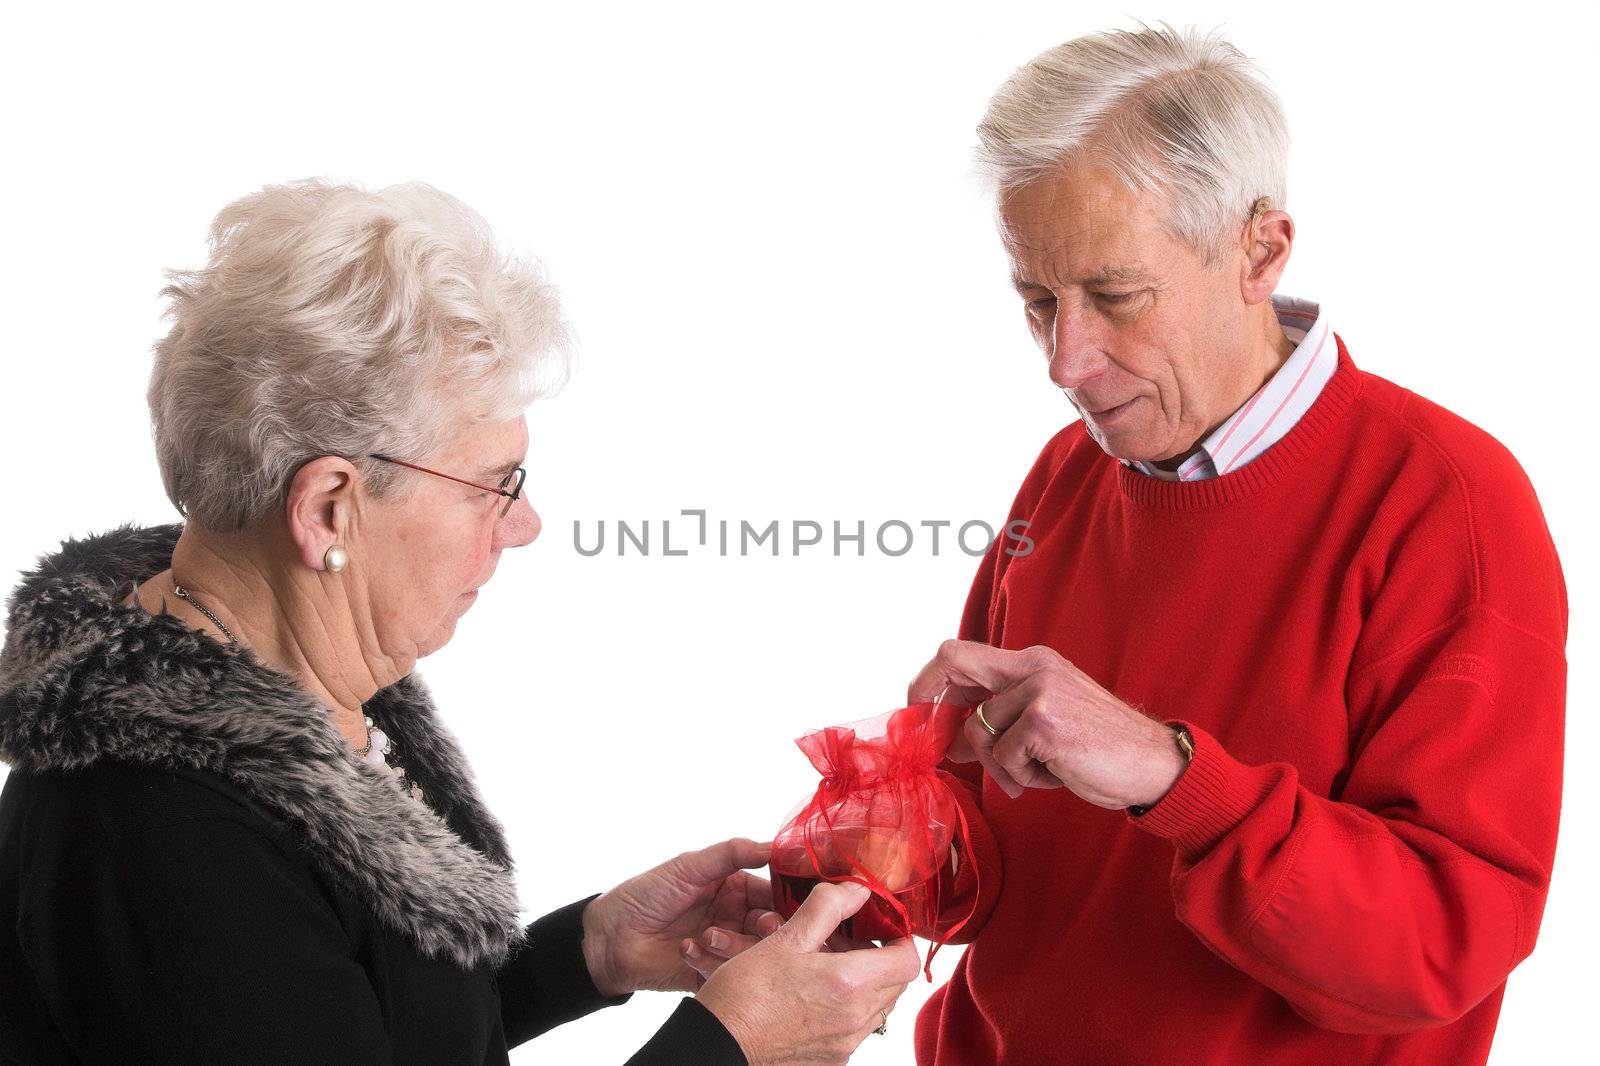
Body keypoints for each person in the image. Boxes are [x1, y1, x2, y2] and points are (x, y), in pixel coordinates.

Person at [0, 179, 918, 1065]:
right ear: (328, 508)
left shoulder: (301, 688)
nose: (524, 525)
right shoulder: (156, 836)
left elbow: (353, 1021)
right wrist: (732, 1048)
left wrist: (587, 953)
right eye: (493, 483)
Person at [899, 22, 1567, 1066]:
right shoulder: (1066, 472)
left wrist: (1172, 779)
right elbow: (1003, 882)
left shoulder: (1448, 505)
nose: (1065, 361)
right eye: (1037, 302)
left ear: (1260, 250)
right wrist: (899, 825)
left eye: (1116, 297)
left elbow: (1438, 949)